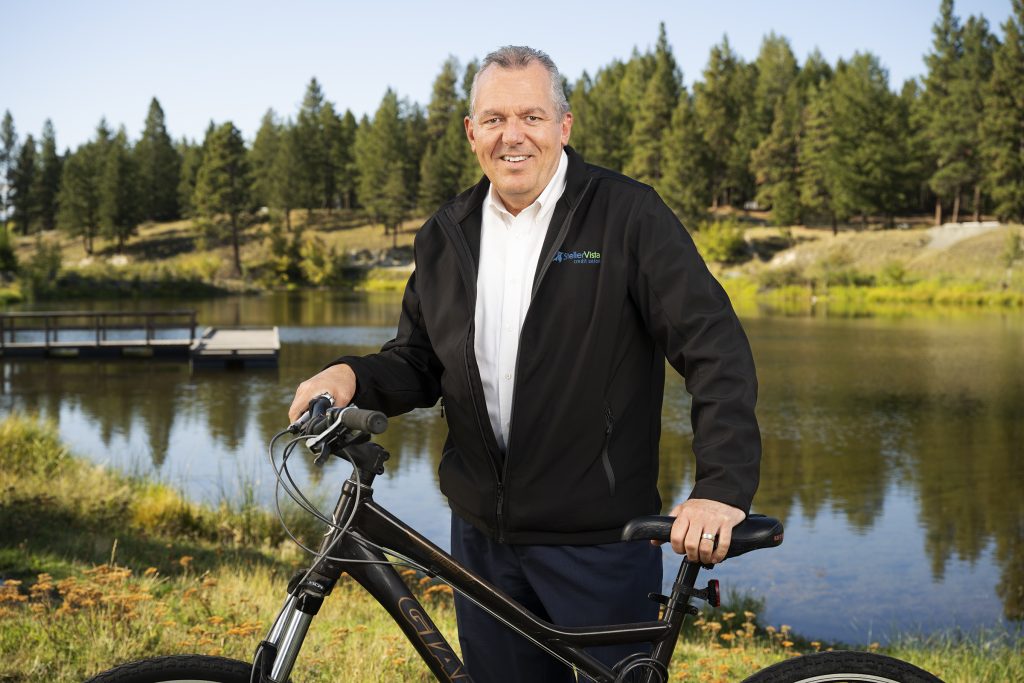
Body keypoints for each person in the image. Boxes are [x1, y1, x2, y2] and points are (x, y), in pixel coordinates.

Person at [289, 45, 760, 682]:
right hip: (482, 542)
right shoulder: (446, 232)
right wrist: (350, 375)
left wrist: (719, 489)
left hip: (600, 542)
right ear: (471, 132)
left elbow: (714, 346)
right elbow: (420, 360)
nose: (513, 136)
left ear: (564, 126)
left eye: (532, 117)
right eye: (494, 119)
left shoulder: (627, 215)